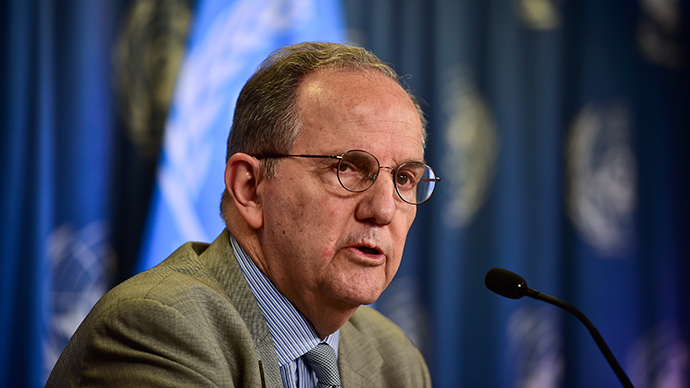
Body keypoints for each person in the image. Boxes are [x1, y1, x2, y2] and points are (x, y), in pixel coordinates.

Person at [46, 41, 439, 388]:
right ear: (249, 188)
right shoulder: (157, 329)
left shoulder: (396, 362)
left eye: (405, 178)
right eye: (348, 169)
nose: (384, 209)